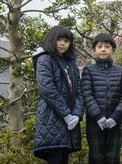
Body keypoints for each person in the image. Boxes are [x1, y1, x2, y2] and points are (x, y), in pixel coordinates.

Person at [32, 25, 84, 164]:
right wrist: (66, 114)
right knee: (55, 156)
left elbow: (79, 90)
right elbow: (47, 89)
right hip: (52, 118)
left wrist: (77, 115)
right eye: (59, 39)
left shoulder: (71, 63)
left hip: (70, 121)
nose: (62, 43)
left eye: (66, 41)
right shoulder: (45, 60)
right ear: (52, 40)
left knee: (63, 157)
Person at [81, 33, 122, 164]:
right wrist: (98, 116)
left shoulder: (121, 71)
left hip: (114, 121)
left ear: (113, 49)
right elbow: (86, 94)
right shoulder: (89, 70)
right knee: (96, 156)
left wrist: (116, 115)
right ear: (94, 49)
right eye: (99, 46)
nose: (103, 49)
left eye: (107, 46)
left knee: (113, 156)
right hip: (95, 121)